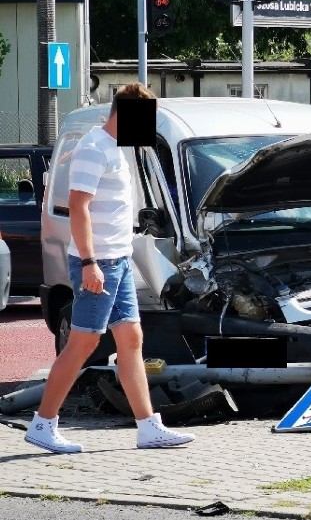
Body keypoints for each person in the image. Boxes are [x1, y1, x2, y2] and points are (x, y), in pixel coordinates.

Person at [25, 83, 195, 454]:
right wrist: (88, 263)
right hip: (98, 263)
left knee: (131, 339)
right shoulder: (94, 148)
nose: (147, 129)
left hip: (116, 260)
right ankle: (43, 424)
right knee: (83, 343)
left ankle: (148, 426)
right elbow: (78, 207)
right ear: (126, 113)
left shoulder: (111, 148)